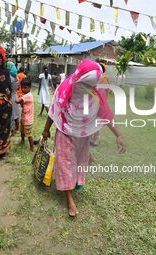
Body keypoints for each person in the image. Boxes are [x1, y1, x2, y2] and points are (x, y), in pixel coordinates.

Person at [41, 59, 127, 217]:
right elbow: (54, 110)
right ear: (78, 80)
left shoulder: (96, 93)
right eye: (86, 86)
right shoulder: (64, 89)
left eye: (92, 86)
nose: (90, 89)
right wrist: (46, 130)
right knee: (66, 163)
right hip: (65, 131)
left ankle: (77, 181)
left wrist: (119, 134)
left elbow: (106, 114)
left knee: (80, 160)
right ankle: (69, 199)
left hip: (82, 134)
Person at [16, 78, 34, 152]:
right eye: (22, 87)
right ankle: (22, 141)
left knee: (29, 134)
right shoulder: (25, 95)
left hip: (28, 119)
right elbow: (22, 104)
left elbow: (17, 101)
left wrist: (14, 95)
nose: (23, 89)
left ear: (29, 87)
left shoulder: (28, 95)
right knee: (22, 131)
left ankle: (32, 148)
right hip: (24, 117)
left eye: (25, 87)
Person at [7, 60, 19, 132]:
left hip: (10, 96)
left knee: (11, 113)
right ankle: (17, 127)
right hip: (15, 95)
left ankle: (12, 128)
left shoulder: (9, 77)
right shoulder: (16, 77)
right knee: (15, 113)